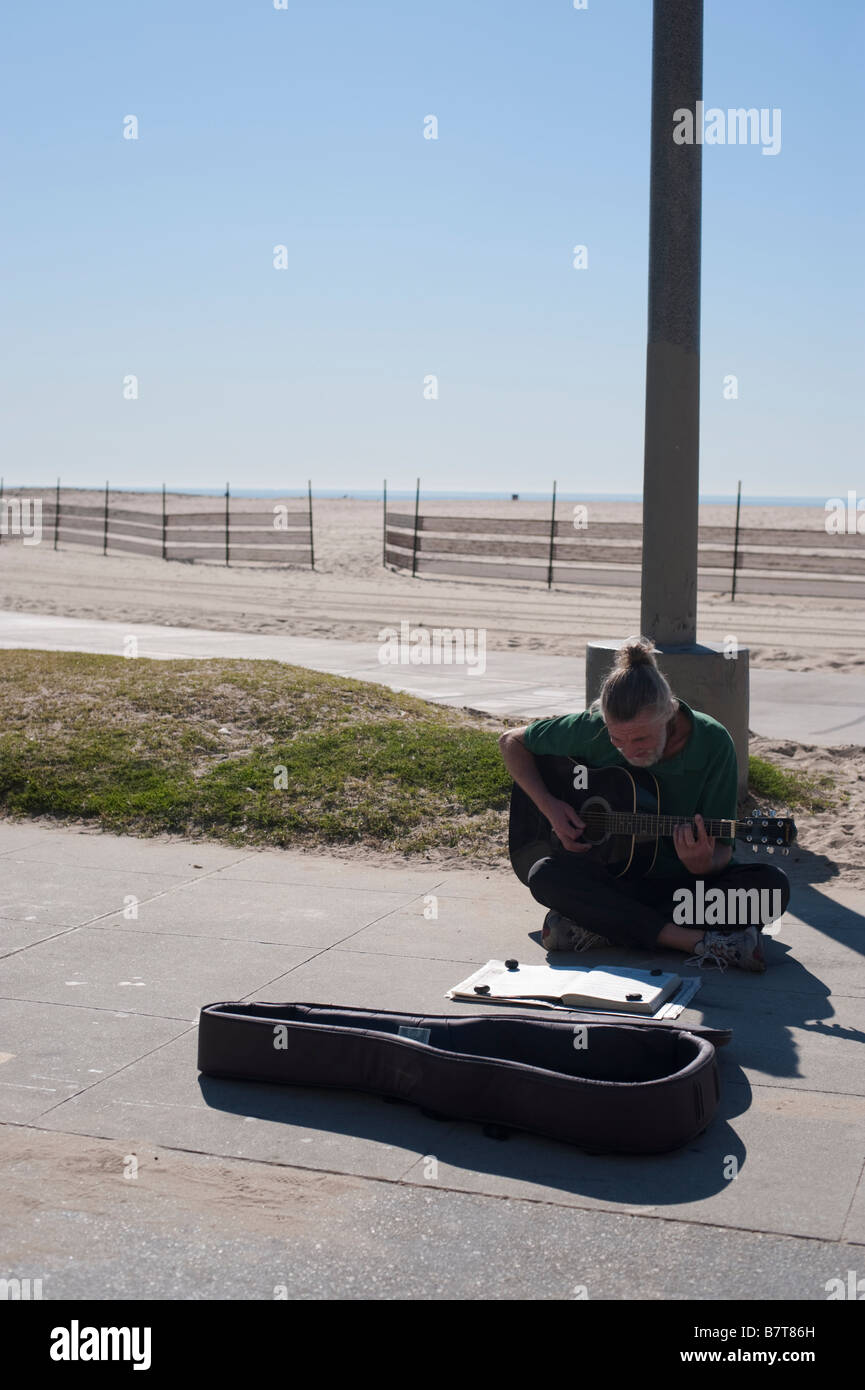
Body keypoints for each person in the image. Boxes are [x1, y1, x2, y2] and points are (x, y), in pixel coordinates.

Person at [498, 635, 790, 972]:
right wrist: (549, 805)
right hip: (612, 878)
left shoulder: (712, 743)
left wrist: (702, 865)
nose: (629, 750)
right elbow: (511, 742)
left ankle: (601, 926)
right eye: (616, 739)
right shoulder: (592, 727)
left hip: (680, 890)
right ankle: (698, 942)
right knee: (544, 875)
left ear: (669, 713)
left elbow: (723, 850)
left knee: (770, 890)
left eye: (641, 738)